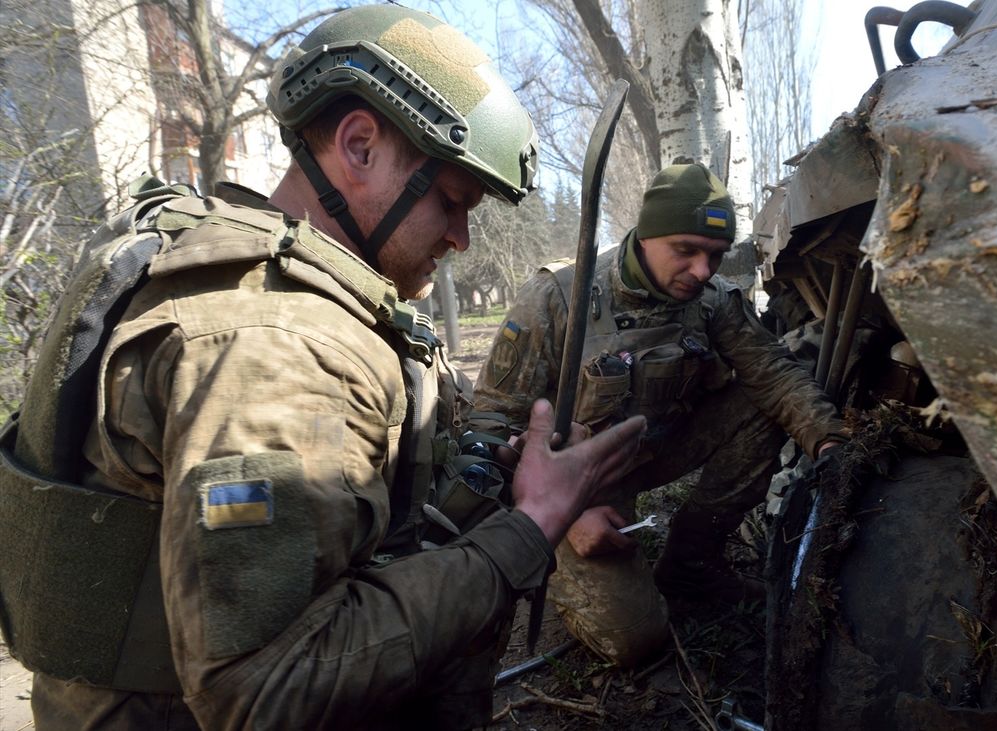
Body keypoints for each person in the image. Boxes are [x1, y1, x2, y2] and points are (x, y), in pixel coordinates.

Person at [0, 5, 645, 729]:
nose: (462, 238)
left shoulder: (268, 272)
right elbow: (267, 689)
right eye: (452, 200)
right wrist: (533, 525)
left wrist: (479, 467)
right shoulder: (276, 344)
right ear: (359, 145)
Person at [472, 163, 846, 667]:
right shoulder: (561, 298)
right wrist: (565, 515)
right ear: (645, 237)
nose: (702, 271)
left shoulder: (712, 303)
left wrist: (829, 440)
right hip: (570, 483)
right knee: (636, 642)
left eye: (714, 255)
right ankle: (559, 557)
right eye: (686, 251)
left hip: (656, 448)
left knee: (763, 405)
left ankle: (691, 563)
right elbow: (492, 423)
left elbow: (773, 373)